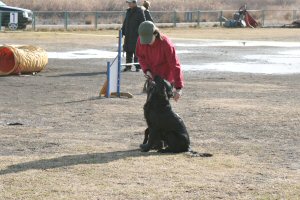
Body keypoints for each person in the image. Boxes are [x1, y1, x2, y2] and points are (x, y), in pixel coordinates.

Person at [136, 21, 184, 101]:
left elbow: (174, 65)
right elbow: (141, 57)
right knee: (150, 105)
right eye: (144, 40)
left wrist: (178, 88)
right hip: (152, 77)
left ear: (155, 34)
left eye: (149, 39)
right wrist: (147, 70)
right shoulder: (141, 40)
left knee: (163, 106)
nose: (147, 43)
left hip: (166, 79)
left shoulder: (166, 44)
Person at [121, 0, 145, 72]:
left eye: (130, 3)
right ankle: (128, 67)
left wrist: (141, 34)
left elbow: (143, 23)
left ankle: (138, 67)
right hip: (128, 34)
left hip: (136, 35)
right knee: (128, 50)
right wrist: (122, 32)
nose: (128, 4)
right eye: (128, 3)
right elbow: (125, 23)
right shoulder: (128, 11)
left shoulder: (139, 11)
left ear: (134, 3)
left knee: (137, 51)